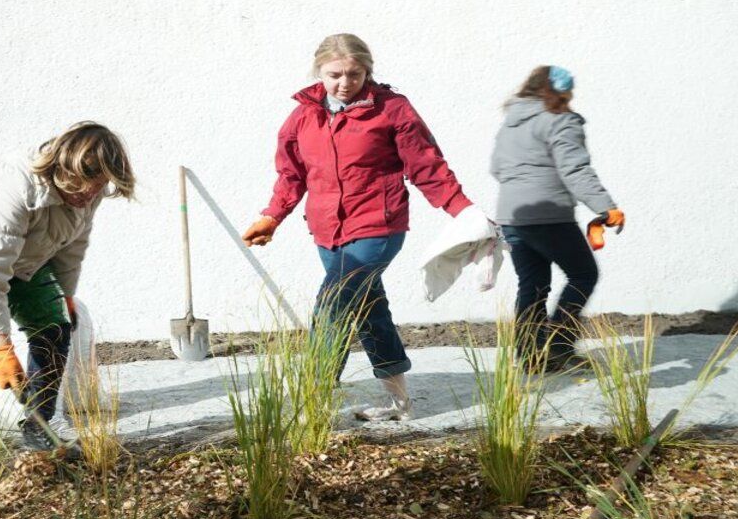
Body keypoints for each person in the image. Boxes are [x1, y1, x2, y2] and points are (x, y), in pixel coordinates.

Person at [242, 33, 481, 421]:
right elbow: (291, 175)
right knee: (370, 308)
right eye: (335, 74)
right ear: (319, 71)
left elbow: (426, 166)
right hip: (326, 230)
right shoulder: (303, 115)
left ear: (367, 71)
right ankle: (400, 403)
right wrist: (272, 216)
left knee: (333, 303)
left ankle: (313, 399)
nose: (345, 83)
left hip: (378, 226)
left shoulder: (392, 109)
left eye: (355, 74)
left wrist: (463, 210)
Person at [0, 122, 135, 491]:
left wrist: (64, 294)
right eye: (84, 188)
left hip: (24, 257)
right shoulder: (14, 186)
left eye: (99, 188)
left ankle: (39, 425)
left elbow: (72, 246)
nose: (91, 196)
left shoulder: (91, 186)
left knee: (56, 326)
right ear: (64, 169)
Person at [490, 66, 623, 371]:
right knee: (583, 275)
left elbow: (497, 168)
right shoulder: (561, 120)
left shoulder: (510, 122)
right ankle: (560, 347)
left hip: (511, 216)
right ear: (562, 92)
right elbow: (575, 170)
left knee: (532, 284)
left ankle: (530, 357)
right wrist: (606, 207)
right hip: (548, 216)